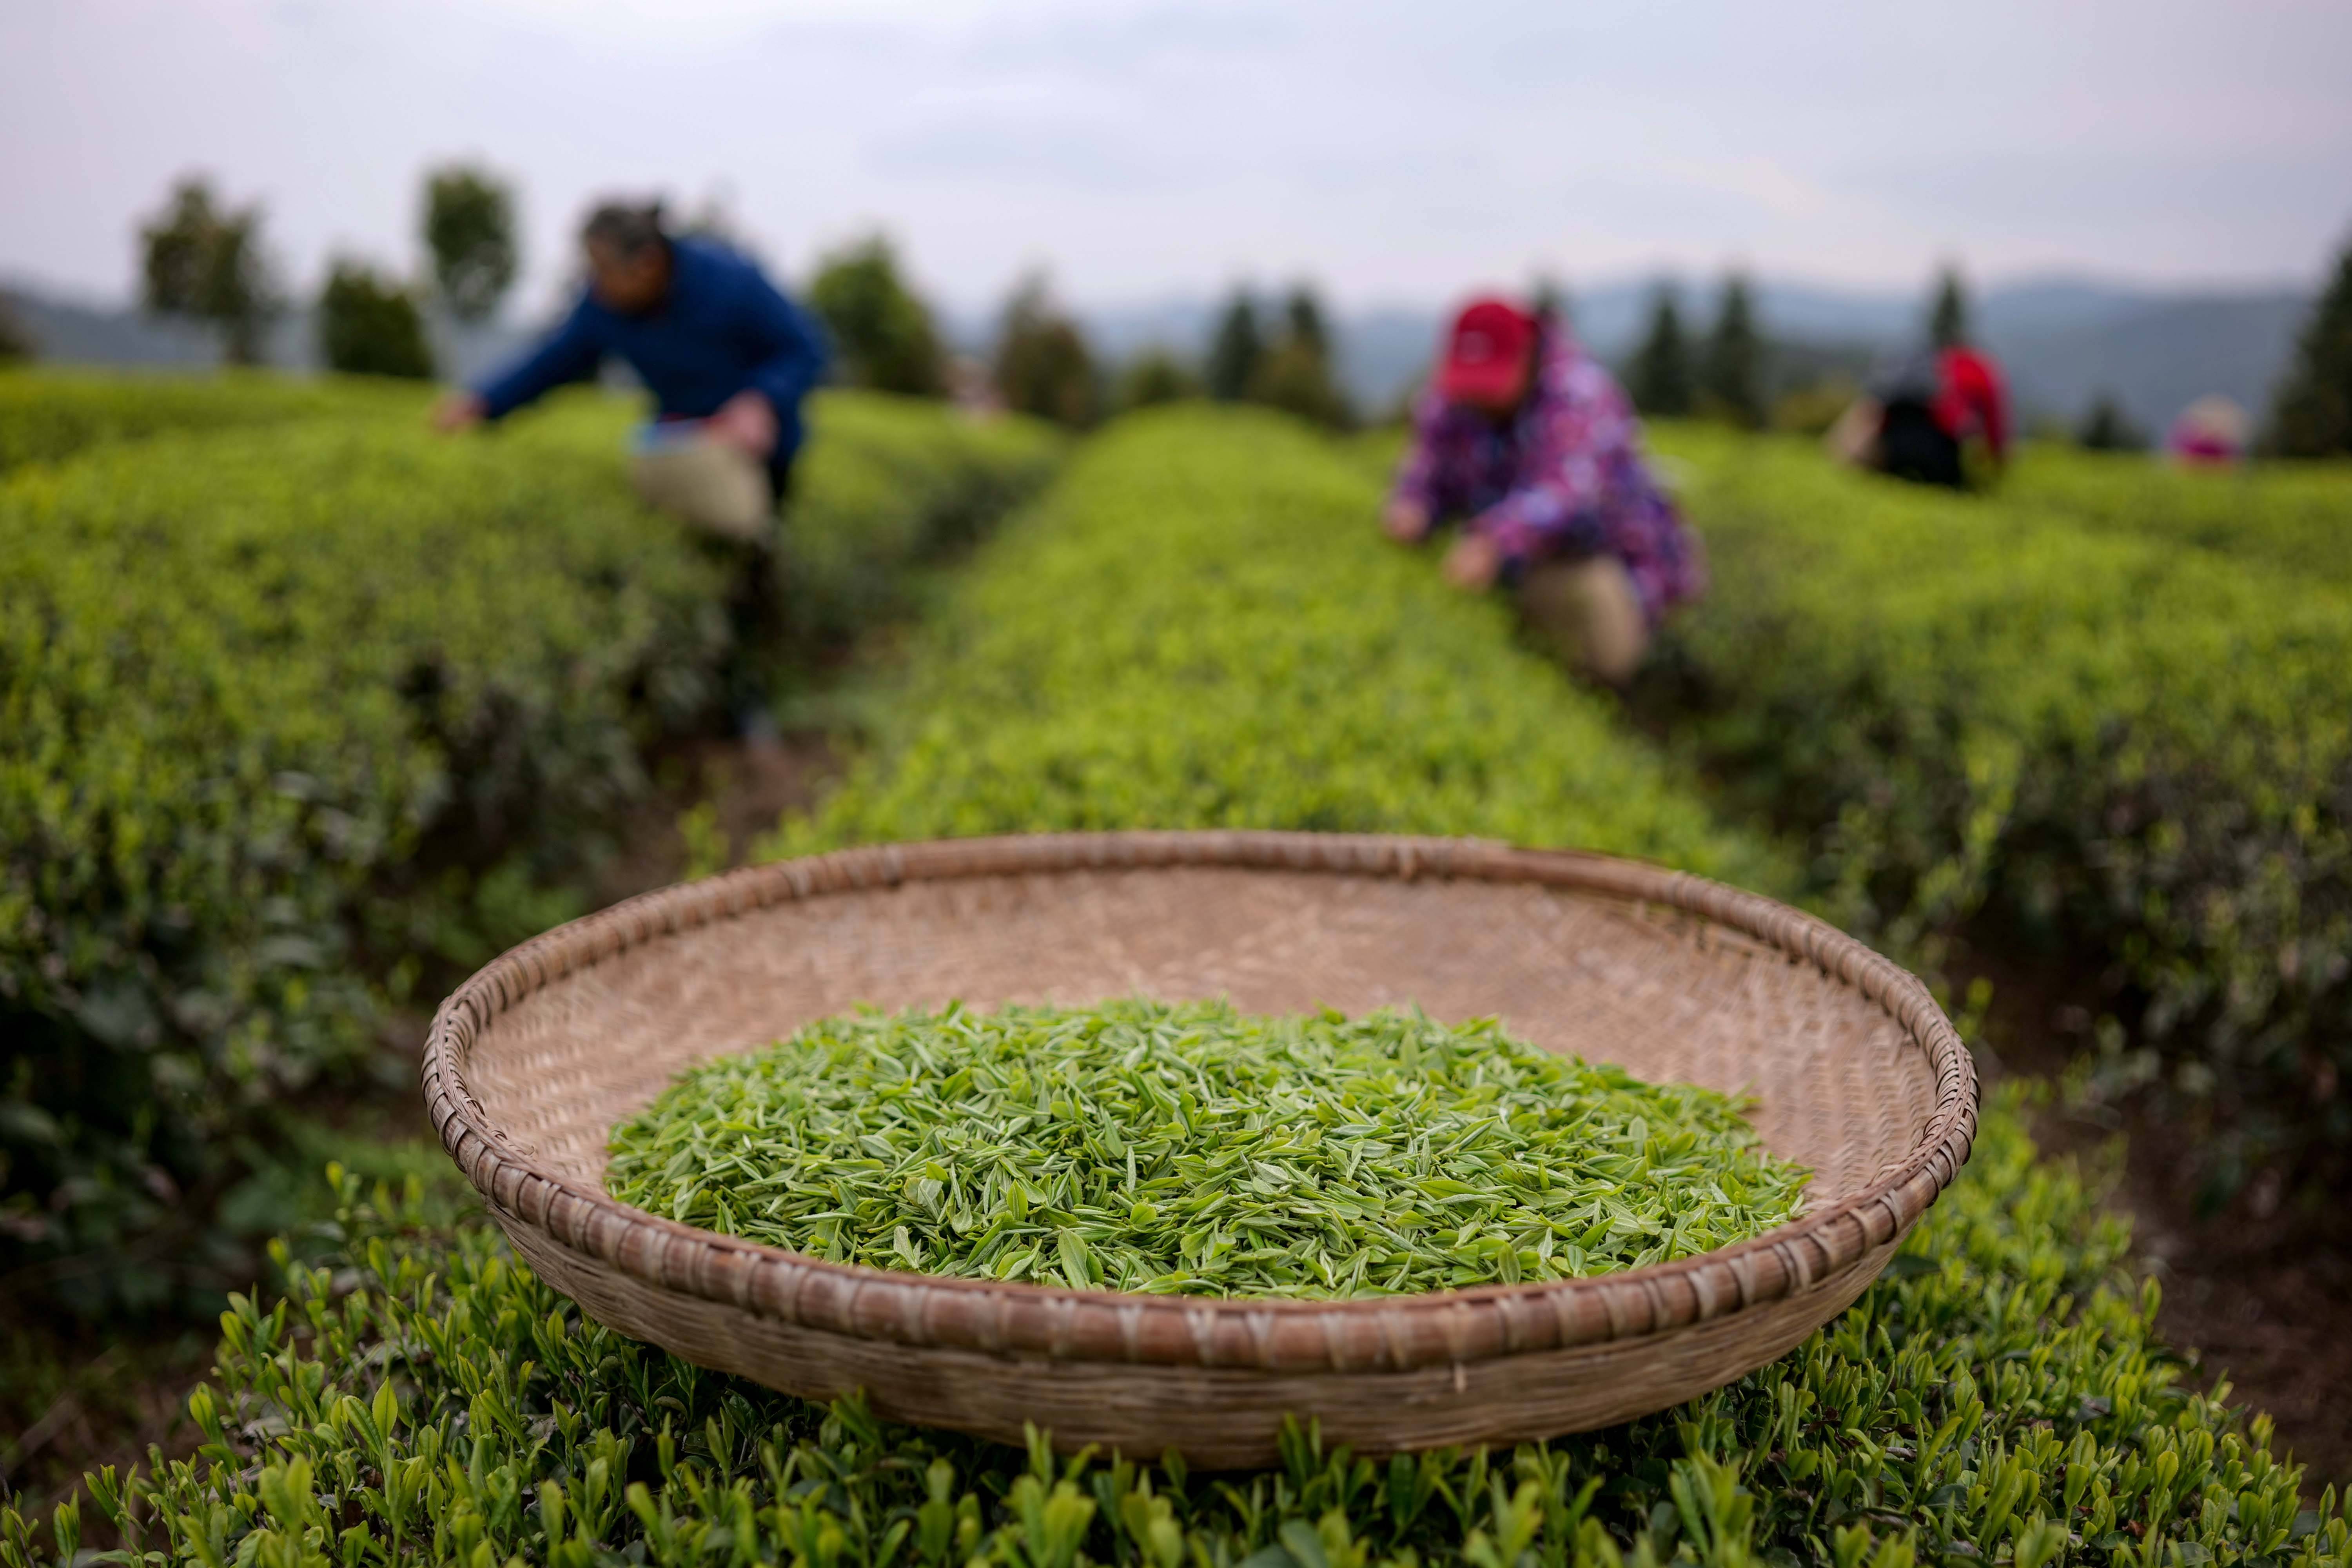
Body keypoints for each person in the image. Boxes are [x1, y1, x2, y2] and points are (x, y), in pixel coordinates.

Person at [434, 201, 831, 741]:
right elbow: (554, 360)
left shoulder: (729, 281)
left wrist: (759, 401)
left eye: (602, 269)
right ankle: (696, 686)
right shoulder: (605, 307)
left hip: (758, 455)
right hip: (680, 453)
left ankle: (749, 698)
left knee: (748, 572)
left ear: (645, 263)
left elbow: (805, 349)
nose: (594, 284)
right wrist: (482, 405)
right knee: (688, 567)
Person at [1383, 296, 1704, 686]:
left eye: (1492, 381)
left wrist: (1493, 541)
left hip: (1599, 555)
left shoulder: (1578, 392)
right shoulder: (1452, 397)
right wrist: (1413, 506)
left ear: (1527, 357)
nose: (1478, 397)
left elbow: (1566, 491)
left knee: (1599, 639)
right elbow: (1428, 467)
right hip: (1514, 558)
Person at [1825, 340, 2009, 488]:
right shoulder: (1983, 373)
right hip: (1938, 455)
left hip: (1894, 448)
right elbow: (1993, 428)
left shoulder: (1925, 366)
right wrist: (1997, 466)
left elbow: (1876, 409)